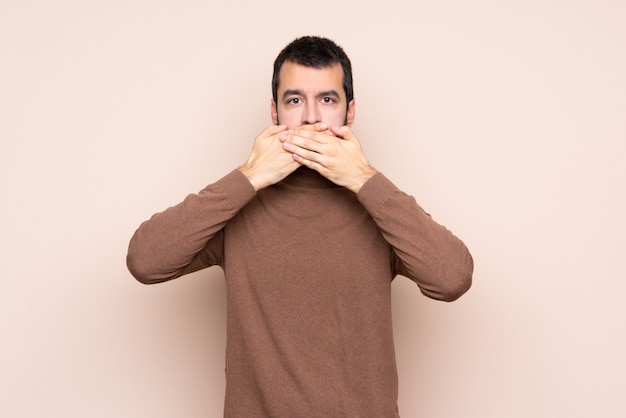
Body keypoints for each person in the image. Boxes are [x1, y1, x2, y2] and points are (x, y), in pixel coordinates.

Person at [127, 36, 473, 417]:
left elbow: (452, 278)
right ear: (274, 112)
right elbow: (145, 261)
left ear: (350, 111)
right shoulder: (240, 204)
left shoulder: (377, 207)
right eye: (294, 101)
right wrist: (248, 176)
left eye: (327, 100)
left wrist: (364, 179)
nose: (311, 117)